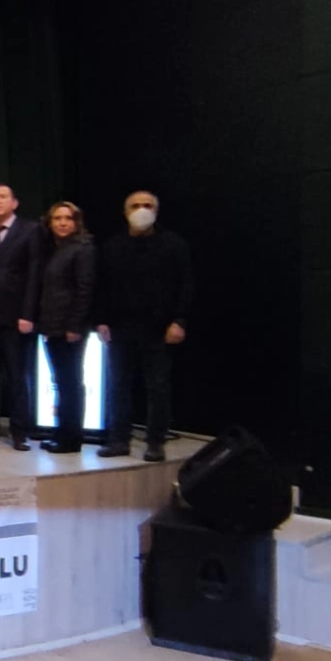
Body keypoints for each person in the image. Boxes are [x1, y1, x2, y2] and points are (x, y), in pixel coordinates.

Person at [96, 190, 192, 462]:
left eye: (147, 205)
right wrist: (101, 320)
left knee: (158, 386)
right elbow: (102, 286)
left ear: (156, 211)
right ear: (126, 212)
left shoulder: (174, 244)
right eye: (135, 205)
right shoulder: (112, 246)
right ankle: (119, 439)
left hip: (159, 328)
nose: (141, 210)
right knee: (118, 385)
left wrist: (179, 320)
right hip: (121, 327)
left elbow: (186, 285)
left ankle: (155, 442)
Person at [0, 183, 42, 450]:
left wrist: (28, 313)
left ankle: (19, 431)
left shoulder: (29, 230)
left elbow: (34, 273)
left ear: (14, 203)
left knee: (17, 376)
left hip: (16, 317)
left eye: (2, 197)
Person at [37, 201, 98, 453]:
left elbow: (85, 289)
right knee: (61, 381)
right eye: (57, 218)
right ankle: (63, 432)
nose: (62, 223)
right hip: (53, 325)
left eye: (68, 218)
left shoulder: (82, 249)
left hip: (69, 327)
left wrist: (74, 325)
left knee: (71, 382)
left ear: (76, 222)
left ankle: (71, 438)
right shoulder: (56, 249)